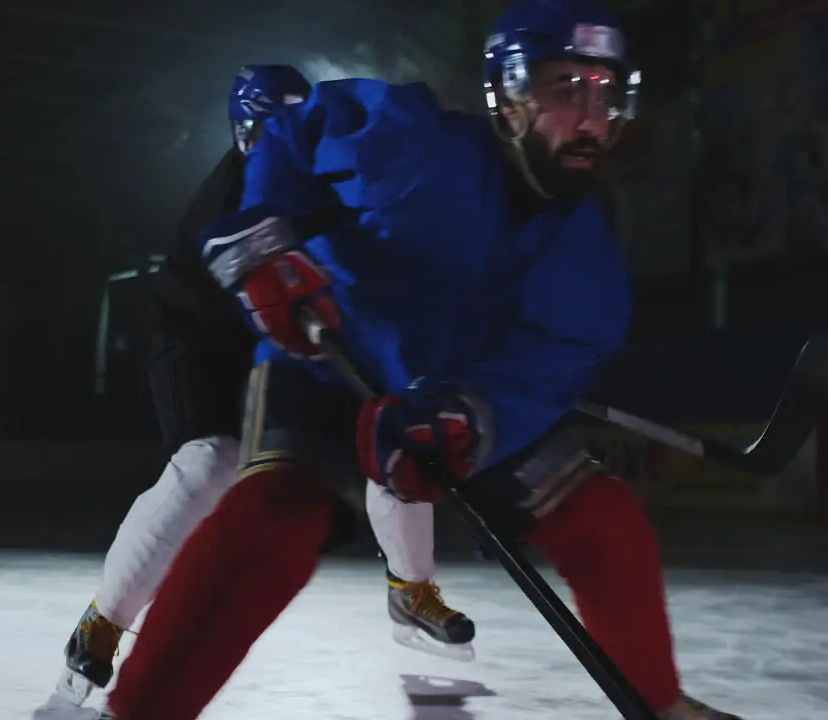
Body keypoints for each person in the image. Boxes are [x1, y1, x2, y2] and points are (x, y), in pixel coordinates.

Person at [97, 1, 743, 719]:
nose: (591, 118)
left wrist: (472, 420)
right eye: (567, 89)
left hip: (446, 400)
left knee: (601, 519)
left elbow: (539, 374)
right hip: (326, 368)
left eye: (606, 94)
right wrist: (263, 235)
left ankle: (659, 704)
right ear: (510, 98)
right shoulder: (407, 141)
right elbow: (292, 127)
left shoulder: (590, 266)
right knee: (273, 526)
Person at [57, 64, 474, 709]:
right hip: (202, 336)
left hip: (303, 333)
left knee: (399, 435)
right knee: (208, 463)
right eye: (257, 131)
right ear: (238, 132)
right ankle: (103, 621)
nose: (271, 145)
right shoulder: (224, 200)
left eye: (288, 129)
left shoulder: (326, 177)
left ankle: (411, 589)